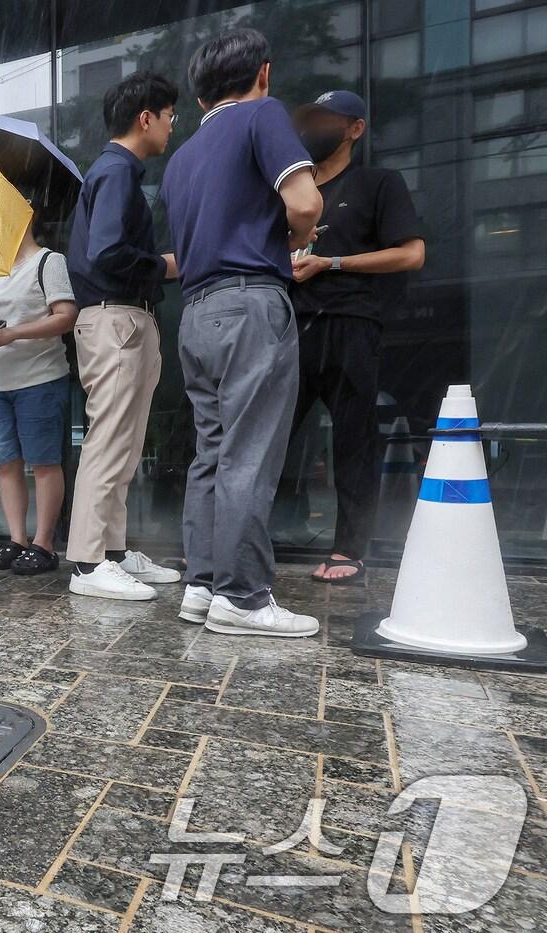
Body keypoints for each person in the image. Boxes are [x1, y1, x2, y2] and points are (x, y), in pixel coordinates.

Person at [160, 28, 323, 637]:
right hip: (252, 301)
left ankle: (202, 587)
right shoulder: (263, 116)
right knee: (249, 455)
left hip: (197, 313)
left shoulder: (180, 160)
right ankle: (245, 597)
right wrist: (288, 243)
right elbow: (304, 203)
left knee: (212, 455)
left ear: (201, 96)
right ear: (263, 74)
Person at [288, 90, 425, 585]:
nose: (315, 128)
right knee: (271, 436)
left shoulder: (378, 183)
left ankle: (349, 547)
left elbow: (411, 254)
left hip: (352, 322)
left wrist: (333, 262)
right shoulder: (293, 194)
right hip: (295, 326)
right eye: (310, 119)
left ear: (355, 129)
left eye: (328, 120)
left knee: (353, 440)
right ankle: (248, 537)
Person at [65, 71, 184, 600]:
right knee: (110, 441)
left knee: (124, 443)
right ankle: (90, 564)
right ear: (146, 118)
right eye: (169, 115)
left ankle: (111, 553)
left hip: (123, 319)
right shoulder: (115, 173)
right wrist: (164, 265)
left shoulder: (116, 172)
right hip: (115, 319)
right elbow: (108, 251)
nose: (172, 124)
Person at [0, 218, 79, 576]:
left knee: (43, 463)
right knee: (7, 464)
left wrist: (14, 334)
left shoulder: (48, 261)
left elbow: (66, 316)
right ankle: (17, 539)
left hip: (40, 378)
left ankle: (45, 543)